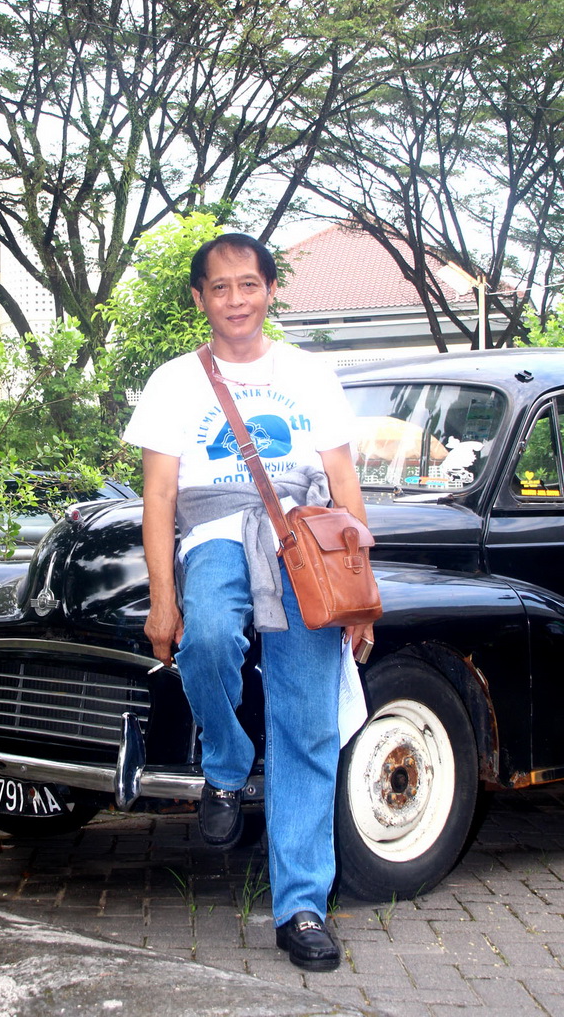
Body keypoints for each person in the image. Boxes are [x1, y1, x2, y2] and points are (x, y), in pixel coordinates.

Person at [123, 231, 373, 973]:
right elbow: (160, 497)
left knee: (305, 723)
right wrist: (161, 599)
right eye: (220, 287)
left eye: (249, 285)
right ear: (199, 298)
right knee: (202, 642)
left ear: (269, 291)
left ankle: (301, 907)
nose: (236, 300)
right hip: (215, 534)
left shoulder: (311, 374)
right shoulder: (174, 380)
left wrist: (361, 591)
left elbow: (344, 482)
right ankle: (226, 763)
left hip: (302, 545)